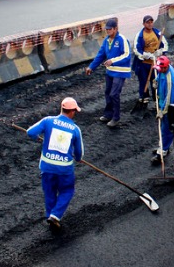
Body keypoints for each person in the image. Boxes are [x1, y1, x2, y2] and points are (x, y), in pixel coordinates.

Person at [27, 97, 84, 232]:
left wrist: (37, 138)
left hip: (47, 167)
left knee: (49, 192)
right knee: (67, 190)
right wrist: (78, 158)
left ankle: (50, 215)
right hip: (64, 170)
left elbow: (30, 132)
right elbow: (79, 152)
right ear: (72, 111)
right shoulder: (75, 129)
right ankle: (55, 215)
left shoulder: (48, 121)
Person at [86, 18, 132, 128]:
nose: (107, 31)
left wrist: (112, 61)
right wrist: (91, 67)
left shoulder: (122, 39)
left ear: (115, 29)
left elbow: (127, 55)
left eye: (110, 29)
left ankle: (116, 118)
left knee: (114, 94)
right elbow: (101, 54)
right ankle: (108, 114)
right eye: (106, 29)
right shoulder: (106, 40)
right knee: (108, 92)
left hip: (120, 72)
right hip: (110, 71)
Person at [152, 55, 174, 166]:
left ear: (166, 67)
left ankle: (163, 151)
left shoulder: (171, 81)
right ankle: (163, 146)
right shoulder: (164, 70)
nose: (159, 70)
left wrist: (162, 111)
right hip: (165, 104)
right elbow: (159, 75)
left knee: (167, 129)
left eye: (160, 69)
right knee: (164, 128)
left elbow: (168, 99)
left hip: (172, 107)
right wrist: (156, 81)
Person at [131, 15, 168, 105]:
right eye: (148, 22)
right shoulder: (140, 36)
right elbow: (136, 49)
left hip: (155, 63)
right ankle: (144, 97)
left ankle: (157, 98)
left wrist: (160, 51)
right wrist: (145, 55)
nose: (150, 24)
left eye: (151, 22)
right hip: (143, 64)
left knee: (156, 81)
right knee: (143, 81)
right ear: (144, 24)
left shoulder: (158, 33)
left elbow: (165, 45)